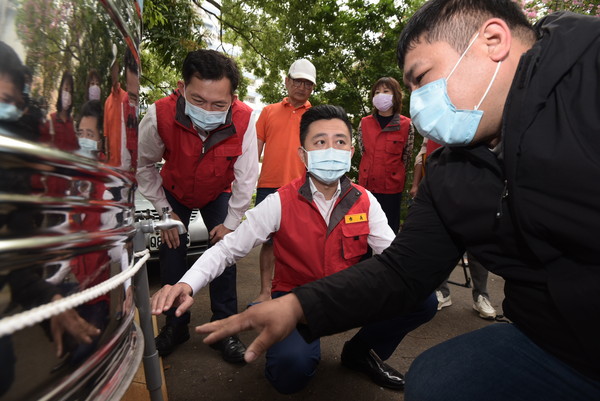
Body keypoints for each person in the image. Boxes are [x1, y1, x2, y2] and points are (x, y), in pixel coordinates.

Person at [195, 2, 600, 400]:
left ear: (493, 40)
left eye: (421, 78)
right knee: (428, 381)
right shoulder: (449, 172)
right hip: (552, 339)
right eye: (410, 89)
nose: (420, 102)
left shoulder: (588, 77)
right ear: (305, 154)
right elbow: (403, 270)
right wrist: (297, 305)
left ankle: (359, 351)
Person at [151, 105, 437, 393]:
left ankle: (361, 351)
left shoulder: (366, 200)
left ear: (351, 152)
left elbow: (392, 256)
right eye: (320, 142)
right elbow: (228, 250)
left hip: (349, 297)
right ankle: (289, 346)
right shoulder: (279, 201)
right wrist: (187, 283)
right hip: (296, 304)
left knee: (421, 298)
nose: (331, 149)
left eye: (339, 141)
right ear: (303, 154)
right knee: (290, 373)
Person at [137, 49, 259, 362]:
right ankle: (175, 327)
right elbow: (143, 165)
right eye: (198, 100)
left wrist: (231, 223)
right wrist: (166, 212)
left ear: (233, 97)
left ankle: (225, 329)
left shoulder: (245, 120)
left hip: (217, 192)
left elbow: (246, 178)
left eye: (218, 104)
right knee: (172, 254)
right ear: (181, 88)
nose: (208, 110)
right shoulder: (159, 115)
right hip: (174, 191)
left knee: (224, 253)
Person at [252, 58, 316, 304]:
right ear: (287, 81)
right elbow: (255, 150)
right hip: (269, 184)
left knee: (301, 243)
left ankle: (296, 293)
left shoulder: (315, 116)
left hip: (303, 186)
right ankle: (265, 291)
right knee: (268, 242)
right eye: (298, 81)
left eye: (308, 84)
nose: (302, 87)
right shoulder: (268, 111)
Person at [411, 138, 496, 319]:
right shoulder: (436, 123)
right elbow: (422, 155)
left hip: (477, 185)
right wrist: (416, 184)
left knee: (477, 242)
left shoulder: (482, 119)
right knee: (439, 244)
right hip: (441, 185)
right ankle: (442, 292)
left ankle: (481, 295)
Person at [358, 77, 413, 234]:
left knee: (389, 230)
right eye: (377, 92)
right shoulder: (364, 123)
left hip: (392, 188)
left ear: (395, 96)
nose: (381, 95)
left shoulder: (406, 124)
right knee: (365, 229)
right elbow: (364, 151)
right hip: (367, 187)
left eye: (386, 91)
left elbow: (406, 156)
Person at [104, 47, 139, 174]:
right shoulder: (108, 102)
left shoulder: (126, 99)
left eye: (115, 67)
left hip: (128, 169)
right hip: (113, 168)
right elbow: (106, 136)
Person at [40, 70, 78, 152]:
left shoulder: (73, 124)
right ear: (60, 91)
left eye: (70, 92)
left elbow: (76, 149)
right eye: (66, 89)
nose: (68, 94)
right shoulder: (50, 120)